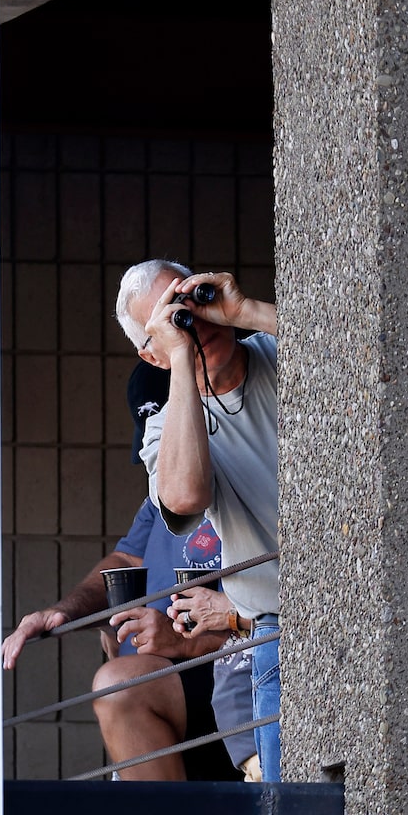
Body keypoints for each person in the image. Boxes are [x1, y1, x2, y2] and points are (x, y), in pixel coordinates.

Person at [2, 384, 259, 815]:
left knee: (121, 682)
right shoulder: (159, 487)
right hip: (173, 686)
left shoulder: (254, 458)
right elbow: (126, 555)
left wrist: (186, 634)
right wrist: (65, 611)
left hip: (243, 670)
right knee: (118, 686)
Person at [115, 258, 280, 781]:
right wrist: (182, 357)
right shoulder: (166, 430)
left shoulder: (277, 348)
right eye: (169, 319)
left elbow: (359, 338)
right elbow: (185, 496)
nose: (191, 320)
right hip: (276, 632)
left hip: (366, 602)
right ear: (150, 354)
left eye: (191, 302)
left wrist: (245, 311)